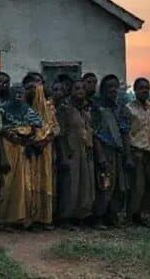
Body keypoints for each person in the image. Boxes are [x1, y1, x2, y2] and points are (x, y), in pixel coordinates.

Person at [0, 83, 42, 229]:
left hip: (24, 151)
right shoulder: (2, 110)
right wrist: (10, 134)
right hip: (8, 149)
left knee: (25, 184)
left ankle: (22, 219)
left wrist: (27, 139)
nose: (19, 95)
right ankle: (5, 219)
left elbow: (37, 126)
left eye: (21, 93)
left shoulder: (28, 110)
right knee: (8, 184)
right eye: (15, 92)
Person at [55, 79, 96, 229]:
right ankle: (65, 218)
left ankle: (81, 216)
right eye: (77, 88)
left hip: (84, 151)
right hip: (71, 152)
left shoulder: (85, 111)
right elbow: (60, 134)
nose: (80, 91)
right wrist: (64, 155)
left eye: (83, 88)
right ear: (70, 91)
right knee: (70, 185)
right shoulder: (64, 109)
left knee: (84, 185)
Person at [124, 77, 150, 227]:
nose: (144, 90)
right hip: (137, 152)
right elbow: (126, 133)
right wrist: (128, 156)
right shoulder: (129, 108)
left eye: (147, 88)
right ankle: (133, 217)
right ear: (135, 90)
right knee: (138, 187)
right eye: (141, 88)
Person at [92, 75, 129, 229]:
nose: (113, 90)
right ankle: (98, 217)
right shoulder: (98, 109)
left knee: (119, 186)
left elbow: (125, 131)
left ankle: (112, 216)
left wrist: (127, 154)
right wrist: (100, 156)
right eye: (109, 87)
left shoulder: (120, 108)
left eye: (115, 86)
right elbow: (95, 134)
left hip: (118, 151)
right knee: (104, 185)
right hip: (105, 150)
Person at [27, 75, 59, 230]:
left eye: (37, 86)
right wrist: (31, 142)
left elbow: (55, 129)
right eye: (30, 87)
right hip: (26, 150)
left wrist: (43, 142)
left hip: (45, 149)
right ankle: (29, 217)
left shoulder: (49, 107)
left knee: (45, 181)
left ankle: (44, 218)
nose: (34, 90)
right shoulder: (23, 107)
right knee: (29, 182)